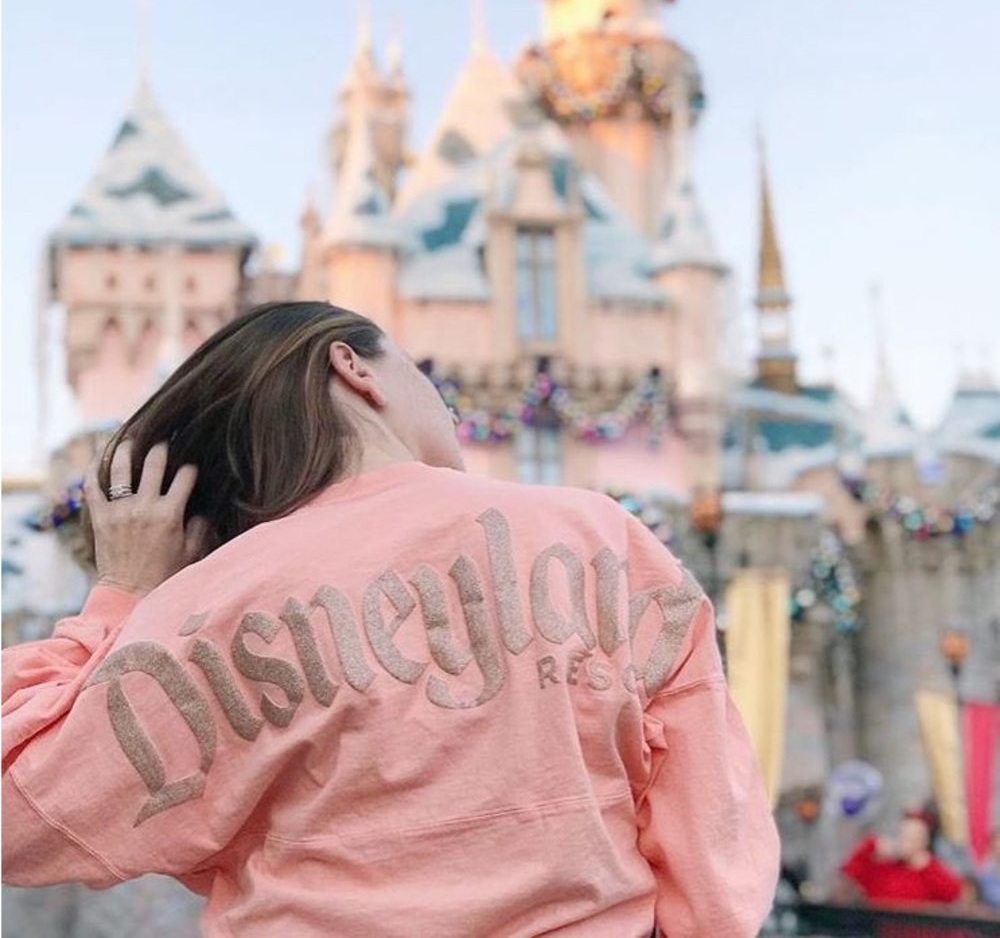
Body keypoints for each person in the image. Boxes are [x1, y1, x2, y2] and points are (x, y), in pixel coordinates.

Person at [3, 301, 780, 937]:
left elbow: (17, 812)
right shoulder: (602, 538)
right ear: (354, 367)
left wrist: (121, 595)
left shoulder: (206, 611)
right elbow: (713, 854)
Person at [837, 808, 963, 905]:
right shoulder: (883, 868)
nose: (908, 842)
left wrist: (926, 865)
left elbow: (953, 893)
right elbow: (850, 872)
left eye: (915, 838)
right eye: (904, 836)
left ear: (925, 841)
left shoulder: (931, 870)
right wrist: (872, 844)